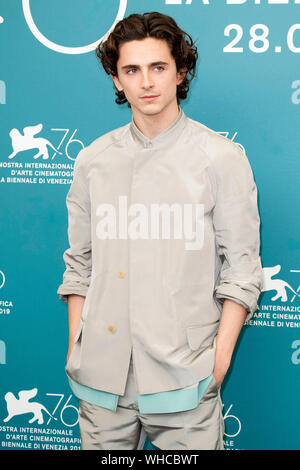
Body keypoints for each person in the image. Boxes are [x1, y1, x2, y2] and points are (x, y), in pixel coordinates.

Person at [57, 11, 263, 450]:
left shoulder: (220, 158)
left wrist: (217, 363)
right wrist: (78, 345)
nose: (146, 82)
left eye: (158, 67)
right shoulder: (93, 160)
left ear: (180, 72)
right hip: (101, 382)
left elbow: (242, 271)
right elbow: (80, 265)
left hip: (185, 382)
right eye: (132, 69)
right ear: (117, 80)